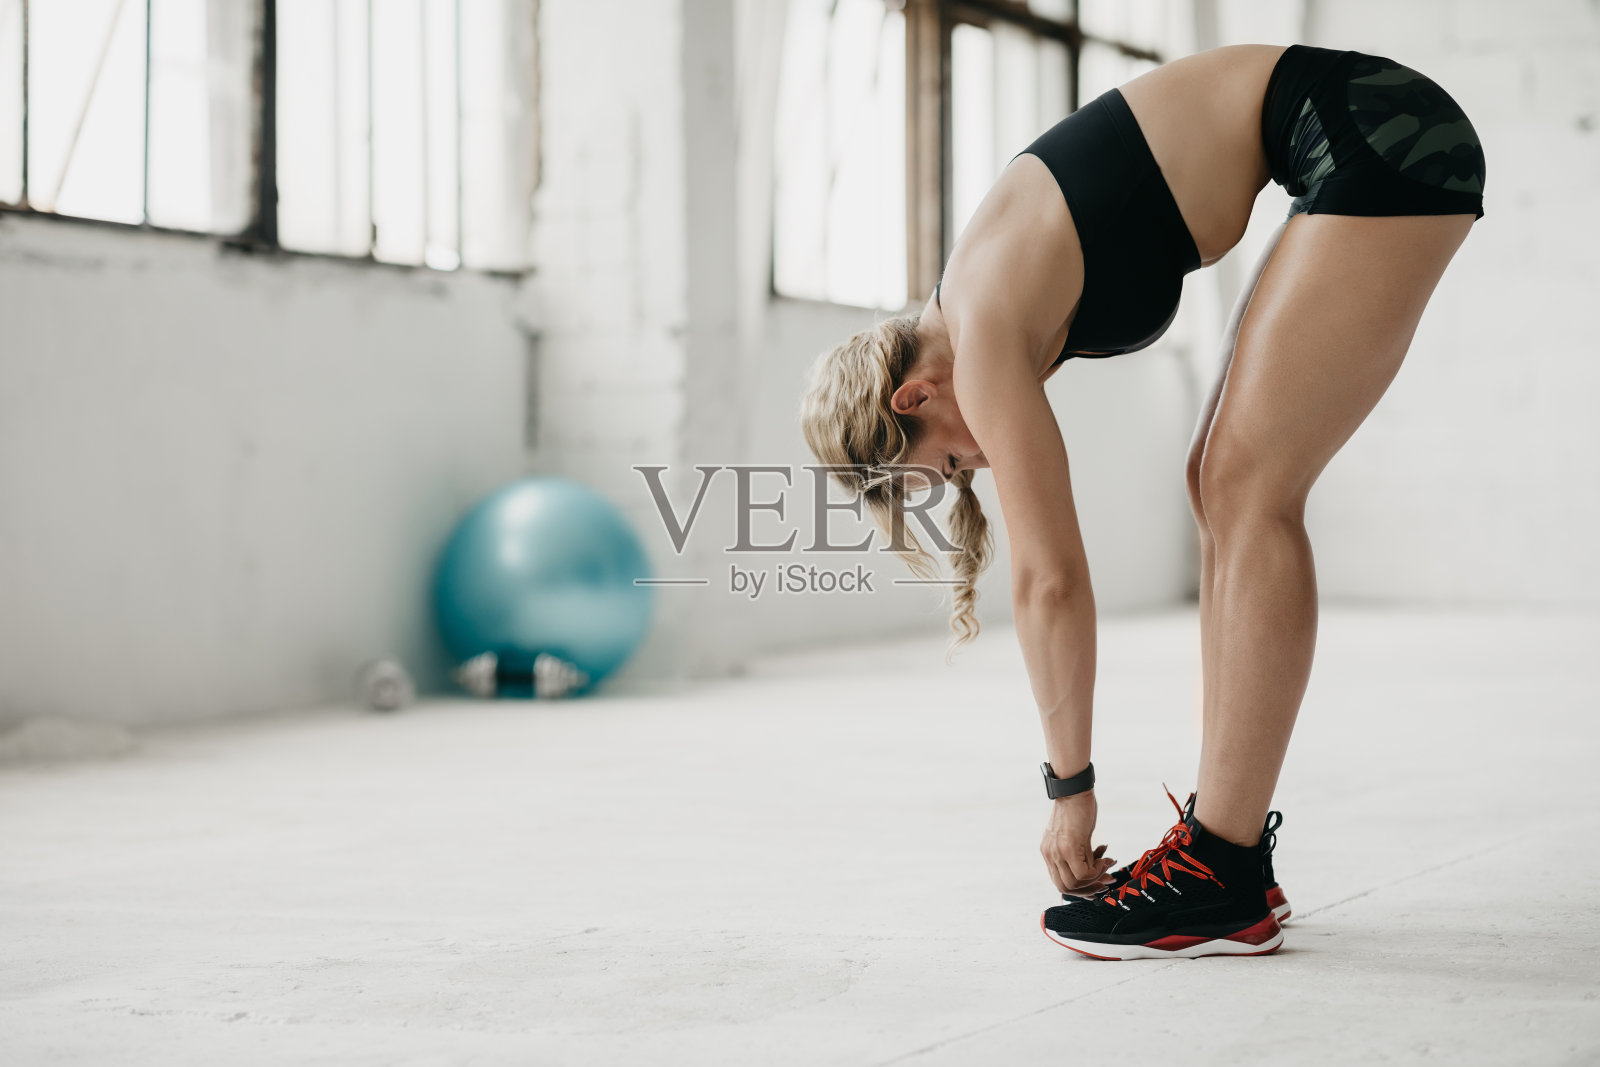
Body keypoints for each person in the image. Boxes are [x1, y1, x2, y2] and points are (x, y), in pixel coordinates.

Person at [798, 43, 1485, 960]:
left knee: (1248, 485)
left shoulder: (981, 320)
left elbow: (1050, 580)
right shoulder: (981, 304)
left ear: (912, 400)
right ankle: (1221, 849)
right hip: (1340, 140)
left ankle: (1222, 868)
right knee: (1218, 478)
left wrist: (1068, 793)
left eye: (951, 463)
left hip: (1367, 127)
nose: (976, 466)